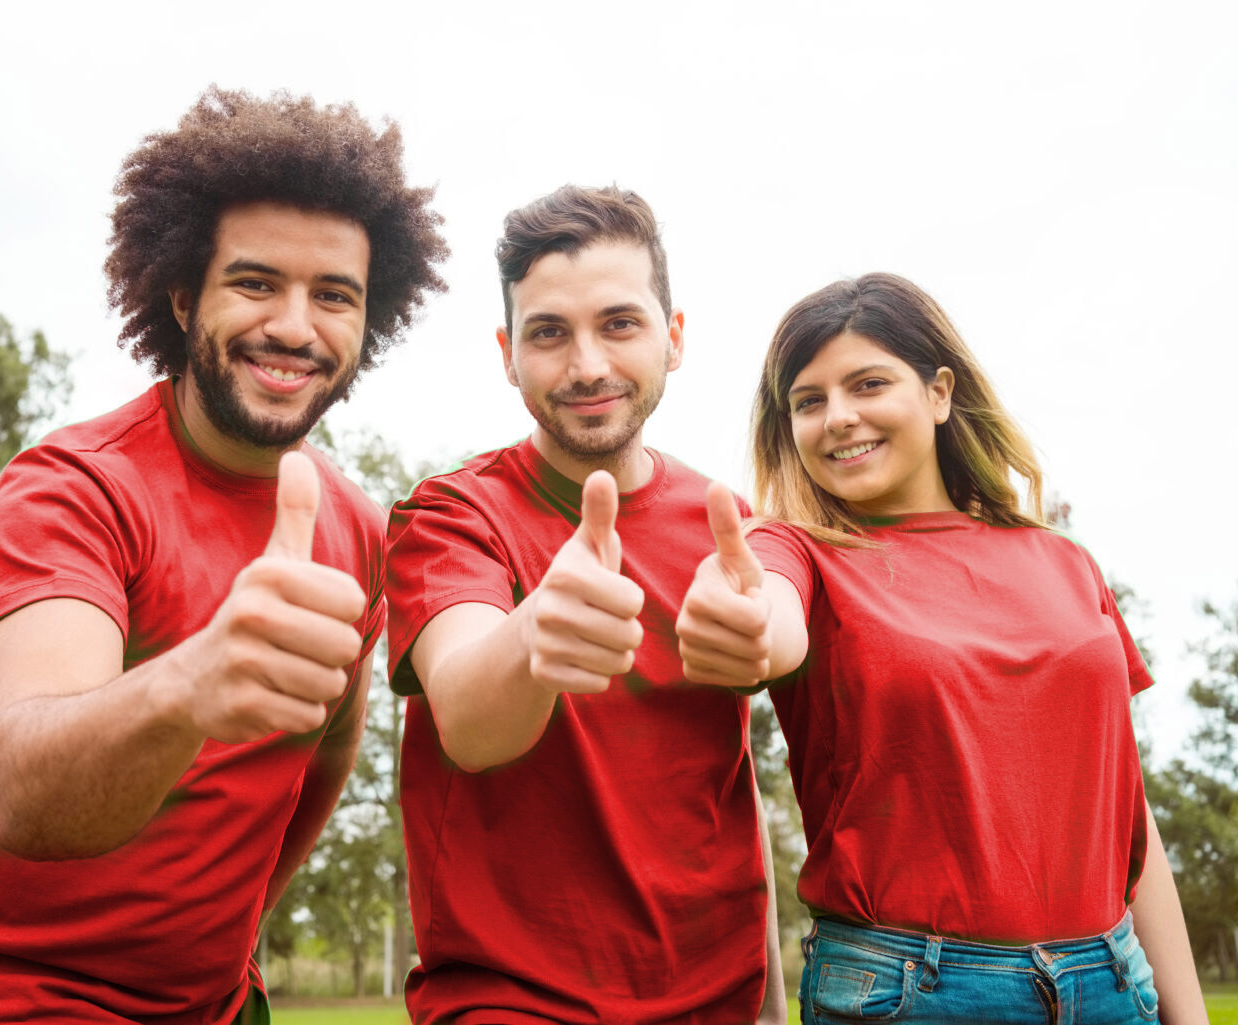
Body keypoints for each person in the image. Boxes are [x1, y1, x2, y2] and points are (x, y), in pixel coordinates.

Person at [0, 86, 448, 1024]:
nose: (295, 325)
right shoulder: (68, 490)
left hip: (213, 1003)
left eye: (334, 295)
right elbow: (26, 792)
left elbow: (326, 749)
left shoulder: (352, 526)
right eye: (256, 283)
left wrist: (232, 932)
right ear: (183, 296)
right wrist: (190, 685)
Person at [676, 272, 1207, 1024]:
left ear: (940, 392)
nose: (838, 417)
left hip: (1115, 980)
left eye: (867, 383)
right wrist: (744, 620)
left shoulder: (1065, 562)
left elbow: (1128, 814)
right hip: (909, 991)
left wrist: (1186, 1014)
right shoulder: (798, 550)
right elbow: (768, 607)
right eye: (808, 400)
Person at [384, 184, 784, 1025]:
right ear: (508, 353)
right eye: (549, 333)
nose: (589, 364)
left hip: (722, 1002)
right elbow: (469, 718)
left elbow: (733, 788)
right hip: (511, 1001)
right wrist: (536, 632)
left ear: (673, 338)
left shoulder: (731, 530)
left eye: (620, 324)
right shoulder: (449, 515)